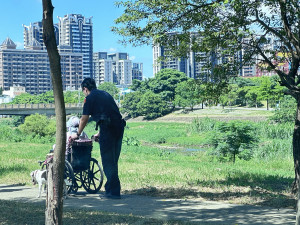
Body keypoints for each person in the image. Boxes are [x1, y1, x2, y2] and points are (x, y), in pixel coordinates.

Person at [71, 78, 126, 199]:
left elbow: (84, 119)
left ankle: (114, 192)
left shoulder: (89, 98)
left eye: (84, 90)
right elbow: (110, 113)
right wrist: (100, 133)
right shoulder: (105, 94)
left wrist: (77, 134)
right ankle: (111, 188)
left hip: (109, 129)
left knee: (107, 161)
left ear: (85, 89)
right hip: (119, 127)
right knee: (113, 160)